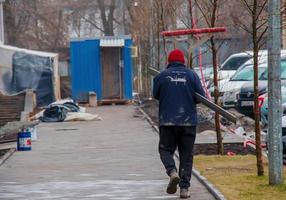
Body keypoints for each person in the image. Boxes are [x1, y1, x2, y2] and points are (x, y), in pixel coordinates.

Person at [153, 49, 205, 199]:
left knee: (165, 150)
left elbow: (156, 95)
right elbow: (200, 97)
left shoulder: (161, 76)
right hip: (188, 122)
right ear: (183, 61)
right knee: (186, 155)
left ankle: (172, 171)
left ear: (169, 62)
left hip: (167, 121)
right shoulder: (192, 75)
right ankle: (184, 189)